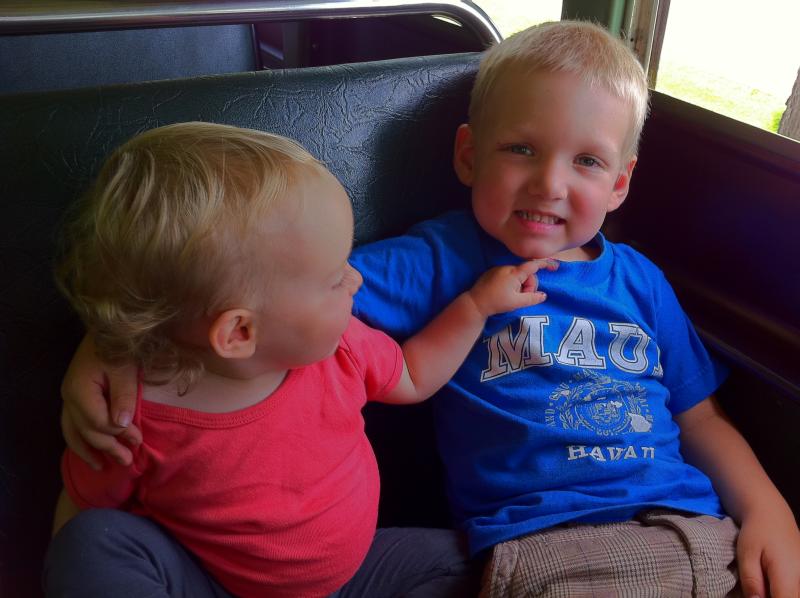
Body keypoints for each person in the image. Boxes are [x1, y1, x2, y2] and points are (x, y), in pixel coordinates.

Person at [59, 21, 800, 598]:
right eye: (521, 149)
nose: (549, 183)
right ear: (469, 156)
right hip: (542, 544)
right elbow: (246, 292)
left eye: (586, 161)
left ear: (620, 183)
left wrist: (768, 508)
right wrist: (111, 345)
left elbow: (699, 417)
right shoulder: (441, 260)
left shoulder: (641, 281)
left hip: (688, 528)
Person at [45, 121, 557, 598]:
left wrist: (475, 307)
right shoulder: (130, 416)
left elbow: (412, 374)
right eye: (335, 278)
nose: (355, 279)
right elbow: (85, 518)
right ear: (240, 332)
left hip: (358, 577)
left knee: (471, 561)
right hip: (210, 584)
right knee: (91, 541)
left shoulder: (343, 349)